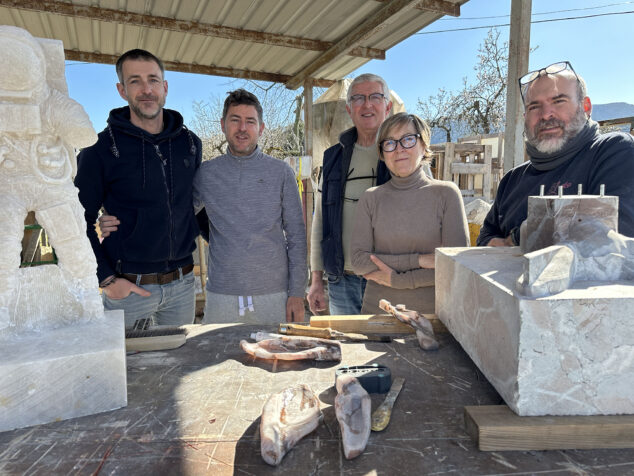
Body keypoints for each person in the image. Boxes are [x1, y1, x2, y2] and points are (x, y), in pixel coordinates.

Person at [74, 49, 204, 328]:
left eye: (153, 80)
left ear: (165, 87)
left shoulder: (189, 143)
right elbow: (75, 220)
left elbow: (193, 205)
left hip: (182, 286)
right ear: (122, 90)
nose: (147, 89)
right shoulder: (99, 149)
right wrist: (106, 279)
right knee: (127, 370)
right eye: (135, 81)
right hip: (129, 290)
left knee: (179, 365)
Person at [477, 61, 634, 246]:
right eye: (534, 106)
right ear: (525, 117)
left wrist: (513, 240)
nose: (546, 114)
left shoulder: (614, 151)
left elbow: (609, 237)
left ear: (586, 107)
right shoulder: (512, 180)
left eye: (558, 101)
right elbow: (484, 240)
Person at [193, 89, 307, 324]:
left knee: (276, 359)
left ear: (261, 128)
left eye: (250, 121)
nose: (242, 128)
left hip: (274, 294)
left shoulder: (281, 172)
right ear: (223, 124)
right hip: (221, 294)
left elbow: (296, 236)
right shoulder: (206, 173)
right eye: (235, 120)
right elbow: (177, 217)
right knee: (218, 358)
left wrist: (297, 293)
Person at [350, 113, 469, 314]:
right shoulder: (371, 198)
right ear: (382, 152)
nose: (399, 149)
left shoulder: (446, 194)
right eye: (390, 143)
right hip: (377, 315)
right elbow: (359, 263)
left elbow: (455, 267)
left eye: (408, 139)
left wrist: (397, 280)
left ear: (424, 145)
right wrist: (422, 260)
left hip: (434, 316)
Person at [307, 73, 393, 316]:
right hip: (341, 281)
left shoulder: (404, 153)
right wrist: (315, 281)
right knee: (347, 349)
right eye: (358, 98)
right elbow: (320, 221)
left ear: (387, 106)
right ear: (349, 108)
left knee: (389, 351)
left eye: (375, 97)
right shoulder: (333, 157)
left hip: (389, 281)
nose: (366, 104)